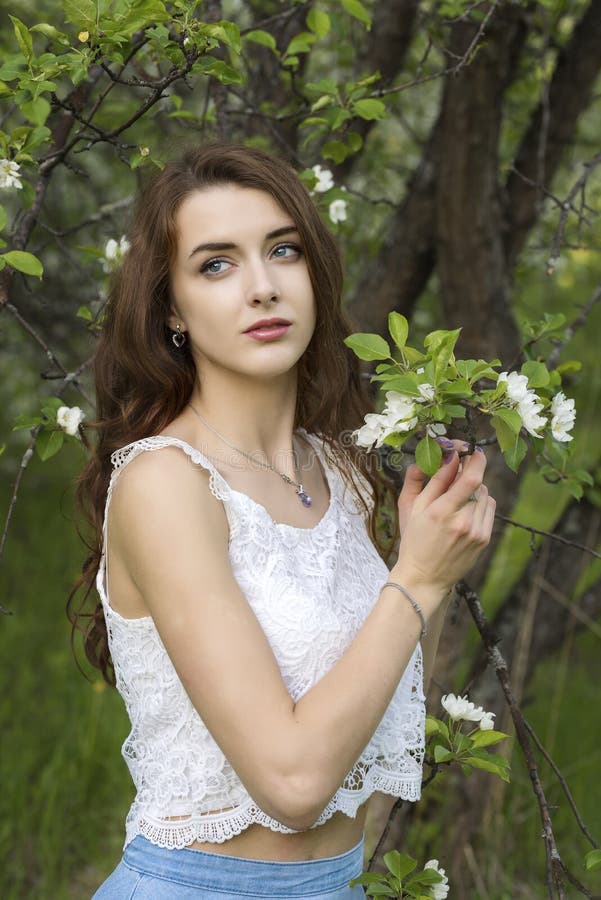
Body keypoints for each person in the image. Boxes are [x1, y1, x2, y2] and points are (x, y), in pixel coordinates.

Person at [70, 143, 495, 899]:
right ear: (172, 307)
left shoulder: (336, 469)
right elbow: (292, 783)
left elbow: (377, 714)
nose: (262, 287)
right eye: (216, 264)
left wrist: (423, 549)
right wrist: (421, 578)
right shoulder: (165, 482)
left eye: (282, 250)